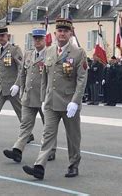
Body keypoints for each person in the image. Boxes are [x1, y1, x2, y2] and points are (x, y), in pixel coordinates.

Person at [22, 18, 87, 180]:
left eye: (65, 31)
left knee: (73, 137)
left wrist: (75, 101)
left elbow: (81, 79)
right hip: (51, 101)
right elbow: (44, 77)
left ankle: (73, 164)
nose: (62, 34)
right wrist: (44, 98)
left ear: (70, 33)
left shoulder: (78, 53)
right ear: (55, 33)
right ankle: (39, 166)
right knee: (47, 134)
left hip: (69, 102)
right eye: (60, 31)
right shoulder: (49, 51)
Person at [3, 28, 56, 163]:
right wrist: (18, 85)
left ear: (45, 39)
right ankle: (18, 150)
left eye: (40, 39)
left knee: (48, 127)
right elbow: (23, 73)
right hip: (29, 95)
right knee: (25, 125)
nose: (37, 41)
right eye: (35, 38)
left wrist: (50, 95)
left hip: (44, 97)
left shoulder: (51, 55)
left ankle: (51, 150)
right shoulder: (28, 54)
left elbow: (53, 77)